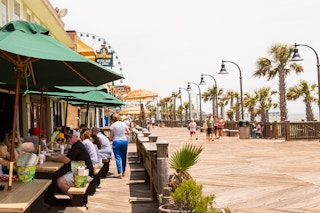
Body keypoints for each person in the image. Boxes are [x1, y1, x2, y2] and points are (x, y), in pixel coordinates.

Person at [46, 130, 94, 196]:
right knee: (59, 175)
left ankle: (75, 199)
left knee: (60, 181)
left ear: (76, 137)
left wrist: (51, 159)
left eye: (70, 137)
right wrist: (54, 156)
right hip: (81, 171)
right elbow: (67, 156)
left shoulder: (77, 146)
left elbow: (66, 160)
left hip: (84, 174)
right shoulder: (76, 145)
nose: (68, 139)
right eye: (67, 137)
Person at [109, 113, 130, 179]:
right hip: (124, 140)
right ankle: (123, 171)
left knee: (118, 158)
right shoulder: (123, 124)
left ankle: (120, 172)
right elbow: (128, 132)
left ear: (112, 119)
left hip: (116, 141)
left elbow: (111, 136)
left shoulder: (113, 125)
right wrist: (123, 133)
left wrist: (110, 139)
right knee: (124, 157)